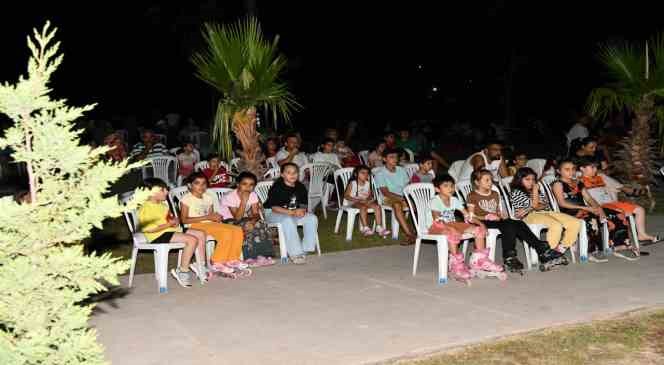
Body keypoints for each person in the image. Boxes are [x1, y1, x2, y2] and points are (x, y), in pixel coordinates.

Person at [468, 169, 564, 272]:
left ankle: (515, 256)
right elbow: (471, 217)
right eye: (486, 180)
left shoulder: (494, 194)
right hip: (480, 221)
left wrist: (500, 214)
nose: (490, 182)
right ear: (477, 182)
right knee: (509, 224)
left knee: (517, 222)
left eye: (491, 180)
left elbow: (497, 211)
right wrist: (487, 217)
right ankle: (540, 250)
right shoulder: (472, 196)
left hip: (495, 220)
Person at [552, 158, 636, 262]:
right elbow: (562, 203)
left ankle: (619, 244)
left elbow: (589, 198)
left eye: (573, 169)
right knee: (591, 219)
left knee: (617, 214)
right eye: (567, 169)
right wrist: (586, 208)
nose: (571, 172)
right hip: (569, 212)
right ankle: (589, 251)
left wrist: (599, 208)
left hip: (585, 209)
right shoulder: (558, 184)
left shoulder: (578, 183)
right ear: (559, 171)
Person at [428, 174, 505, 283]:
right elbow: (437, 220)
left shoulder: (454, 200)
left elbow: (468, 216)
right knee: (452, 233)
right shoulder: (435, 201)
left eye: (452, 186)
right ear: (437, 189)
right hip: (436, 226)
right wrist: (451, 229)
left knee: (478, 230)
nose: (450, 188)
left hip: (452, 223)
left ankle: (479, 261)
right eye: (446, 186)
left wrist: (480, 224)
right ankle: (455, 265)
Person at [137, 178, 207, 287]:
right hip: (157, 235)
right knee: (192, 240)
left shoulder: (163, 205)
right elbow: (149, 229)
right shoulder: (146, 208)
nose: (167, 192)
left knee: (201, 234)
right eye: (163, 190)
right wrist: (169, 225)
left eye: (166, 189)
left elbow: (169, 220)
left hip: (171, 231)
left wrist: (174, 221)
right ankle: (183, 271)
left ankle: (200, 265)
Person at [577, 158, 660, 246]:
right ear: (582, 168)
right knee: (620, 214)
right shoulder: (578, 180)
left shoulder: (601, 176)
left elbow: (615, 186)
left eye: (596, 167)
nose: (595, 169)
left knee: (640, 210)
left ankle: (642, 235)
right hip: (600, 206)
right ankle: (618, 241)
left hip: (612, 203)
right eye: (592, 167)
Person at [178, 173, 245, 271]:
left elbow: (211, 215)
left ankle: (232, 259)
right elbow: (184, 220)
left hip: (209, 224)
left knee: (237, 230)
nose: (201, 186)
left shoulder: (208, 197)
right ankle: (217, 261)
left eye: (204, 183)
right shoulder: (186, 199)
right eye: (197, 183)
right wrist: (207, 217)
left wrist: (216, 217)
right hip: (194, 226)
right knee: (225, 233)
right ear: (189, 185)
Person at [510, 167, 580, 255]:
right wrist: (535, 195)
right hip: (529, 216)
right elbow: (535, 206)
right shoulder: (517, 192)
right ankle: (549, 252)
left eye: (533, 179)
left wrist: (534, 204)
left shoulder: (535, 191)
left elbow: (545, 204)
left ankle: (560, 248)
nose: (531, 182)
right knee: (556, 225)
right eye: (527, 179)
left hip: (546, 212)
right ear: (519, 180)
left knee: (575, 222)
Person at [263, 163, 319, 264]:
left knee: (312, 218)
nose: (292, 175)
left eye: (295, 172)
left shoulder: (300, 186)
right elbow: (274, 207)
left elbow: (303, 205)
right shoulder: (277, 187)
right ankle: (296, 254)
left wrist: (302, 211)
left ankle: (306, 249)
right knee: (287, 220)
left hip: (292, 213)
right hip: (273, 213)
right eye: (288, 172)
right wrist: (292, 212)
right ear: (282, 175)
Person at [219, 172, 275, 263]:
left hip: (244, 219)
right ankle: (249, 257)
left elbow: (256, 213)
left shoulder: (253, 195)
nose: (248, 187)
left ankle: (263, 255)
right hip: (227, 221)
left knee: (260, 223)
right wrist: (244, 201)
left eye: (251, 185)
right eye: (244, 184)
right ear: (238, 184)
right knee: (245, 225)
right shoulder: (229, 197)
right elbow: (237, 218)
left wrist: (252, 222)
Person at [374, 148, 416, 244]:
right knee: (397, 205)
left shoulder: (401, 170)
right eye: (391, 157)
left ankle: (422, 230)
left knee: (421, 202)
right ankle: (410, 235)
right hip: (388, 199)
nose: (395, 159)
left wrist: (411, 199)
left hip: (403, 197)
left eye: (396, 157)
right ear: (384, 159)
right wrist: (403, 199)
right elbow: (386, 193)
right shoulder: (380, 174)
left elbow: (408, 186)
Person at [343, 165, 390, 237]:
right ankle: (365, 228)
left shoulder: (367, 183)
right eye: (363, 173)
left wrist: (369, 200)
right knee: (363, 207)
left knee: (377, 206)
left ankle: (379, 227)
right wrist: (356, 199)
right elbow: (346, 196)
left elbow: (370, 195)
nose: (365, 175)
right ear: (356, 174)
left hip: (364, 201)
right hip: (354, 202)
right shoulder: (353, 183)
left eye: (367, 173)